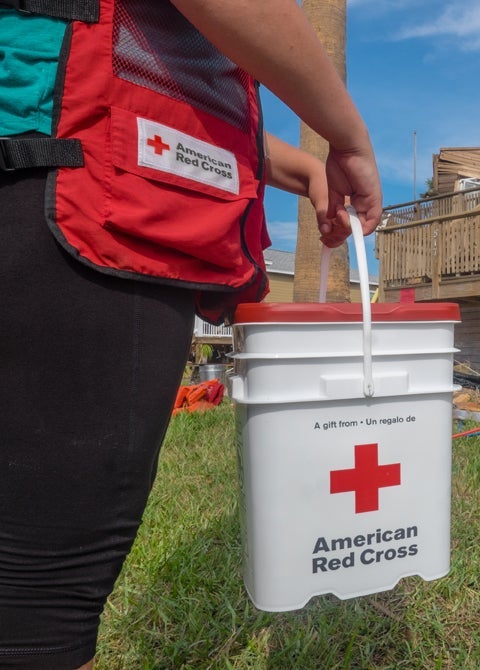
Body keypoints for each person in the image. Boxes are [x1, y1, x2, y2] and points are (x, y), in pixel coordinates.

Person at [0, 1, 382, 668]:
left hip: (37, 154)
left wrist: (305, 170)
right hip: (69, 197)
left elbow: (155, 82)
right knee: (43, 597)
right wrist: (345, 134)